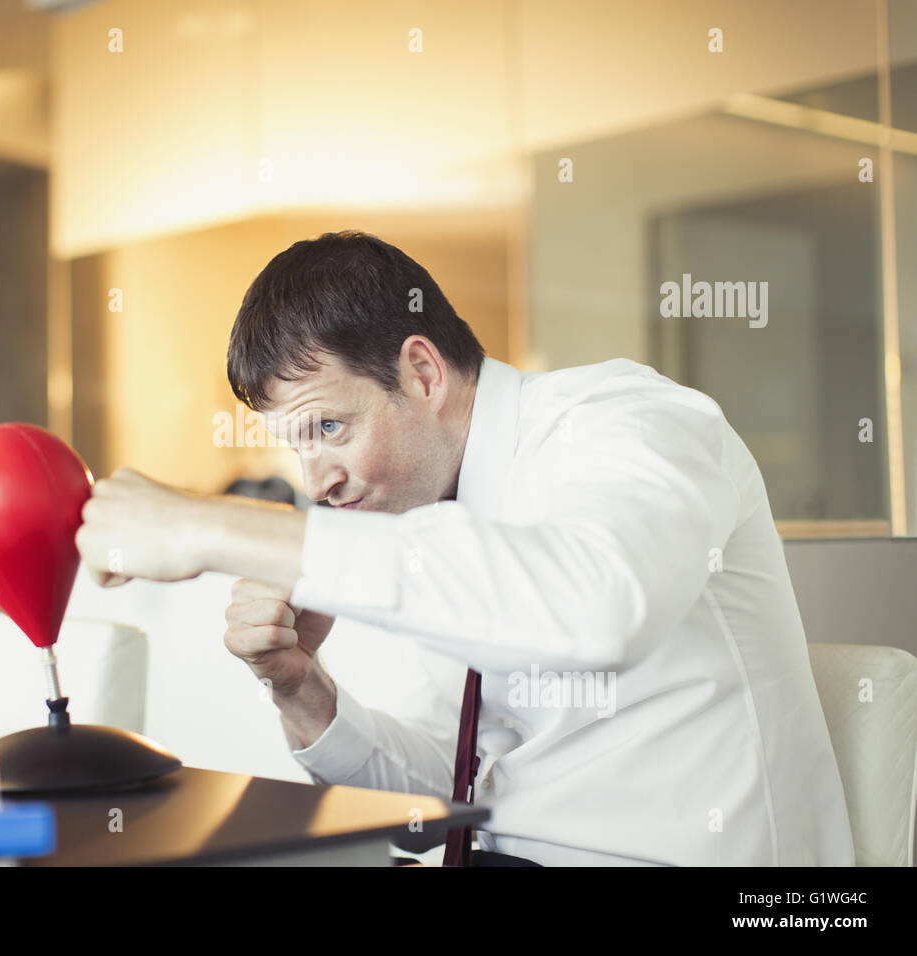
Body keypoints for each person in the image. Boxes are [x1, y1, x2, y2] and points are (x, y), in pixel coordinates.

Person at [75, 230, 854, 866]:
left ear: (420, 371)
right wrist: (300, 690)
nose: (319, 482)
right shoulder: (438, 529)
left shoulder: (629, 420)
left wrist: (213, 525)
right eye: (297, 448)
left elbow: (600, 608)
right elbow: (438, 807)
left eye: (330, 428)